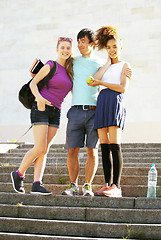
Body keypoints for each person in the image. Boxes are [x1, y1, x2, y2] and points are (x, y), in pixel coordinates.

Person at [62, 28, 131, 197]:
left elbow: (120, 85)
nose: (79, 45)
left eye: (83, 41)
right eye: (109, 47)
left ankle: (103, 186)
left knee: (102, 148)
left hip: (103, 108)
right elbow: (91, 79)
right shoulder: (78, 62)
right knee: (88, 148)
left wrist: (105, 75)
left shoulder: (114, 65)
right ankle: (90, 185)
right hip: (88, 108)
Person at [11, 37, 73, 195]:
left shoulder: (69, 70)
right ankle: (18, 174)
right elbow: (33, 83)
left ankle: (37, 183)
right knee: (39, 147)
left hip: (56, 111)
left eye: (68, 48)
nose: (65, 50)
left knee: (44, 150)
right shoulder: (50, 65)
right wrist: (38, 98)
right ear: (57, 49)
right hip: (41, 107)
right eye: (63, 47)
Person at [88, 25, 131, 197]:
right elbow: (92, 81)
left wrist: (102, 84)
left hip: (114, 102)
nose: (112, 50)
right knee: (104, 146)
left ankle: (117, 186)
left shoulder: (125, 65)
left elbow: (122, 88)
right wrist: (106, 64)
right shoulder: (105, 66)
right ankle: (107, 184)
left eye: (115, 47)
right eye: (109, 47)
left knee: (114, 145)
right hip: (102, 104)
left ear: (121, 47)